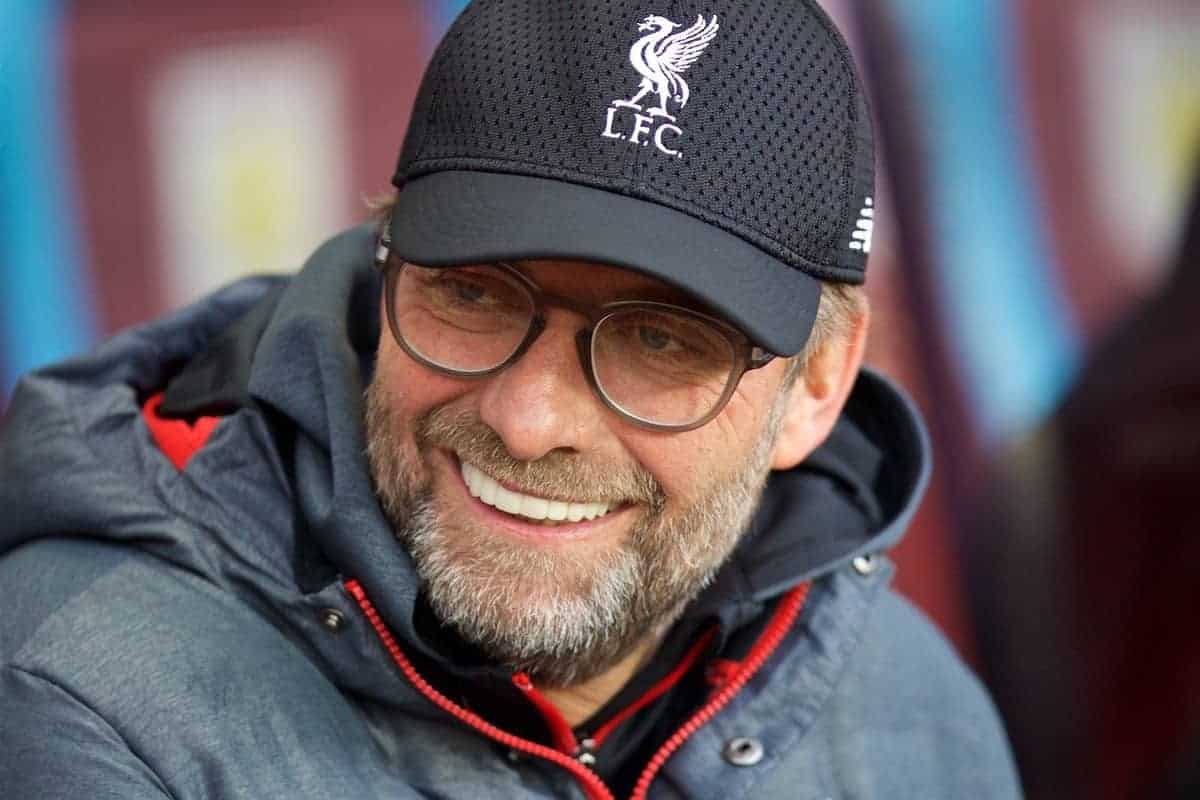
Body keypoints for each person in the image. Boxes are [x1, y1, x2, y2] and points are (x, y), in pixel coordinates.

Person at [0, 1, 1020, 797]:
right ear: (384, 264)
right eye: (475, 293)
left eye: (662, 338)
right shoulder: (82, 694)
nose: (528, 419)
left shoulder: (911, 706)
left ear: (818, 386)